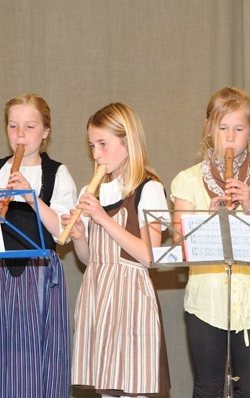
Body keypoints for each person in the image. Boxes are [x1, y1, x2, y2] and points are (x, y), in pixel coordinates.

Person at [0, 93, 77, 398]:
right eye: (13, 126)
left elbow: (63, 232)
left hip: (39, 274)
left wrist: (30, 197)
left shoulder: (57, 173)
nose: (20, 134)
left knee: (33, 359)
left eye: (30, 126)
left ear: (46, 131)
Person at [171, 87, 250, 398]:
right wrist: (206, 220)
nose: (230, 138)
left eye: (239, 129)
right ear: (209, 128)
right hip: (206, 302)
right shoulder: (187, 180)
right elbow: (180, 243)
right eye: (222, 128)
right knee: (208, 387)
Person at [62, 102, 171, 398]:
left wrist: (103, 219)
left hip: (131, 295)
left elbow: (149, 256)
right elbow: (89, 259)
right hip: (98, 293)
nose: (96, 154)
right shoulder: (94, 190)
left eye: (103, 144)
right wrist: (80, 236)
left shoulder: (148, 188)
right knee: (107, 388)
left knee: (134, 385)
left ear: (128, 142)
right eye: (92, 145)